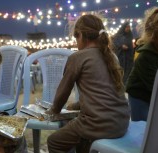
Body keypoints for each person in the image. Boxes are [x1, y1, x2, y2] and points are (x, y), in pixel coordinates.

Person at [45, 14, 130, 153]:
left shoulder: (78, 57)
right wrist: (77, 105)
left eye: (76, 38)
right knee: (78, 132)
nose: (76, 43)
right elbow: (104, 93)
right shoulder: (112, 56)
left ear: (81, 36)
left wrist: (53, 110)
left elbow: (63, 93)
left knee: (54, 141)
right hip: (121, 123)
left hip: (97, 125)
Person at [126, 7, 158, 121]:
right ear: (154, 35)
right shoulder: (146, 56)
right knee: (144, 131)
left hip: (153, 97)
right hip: (140, 98)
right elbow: (155, 88)